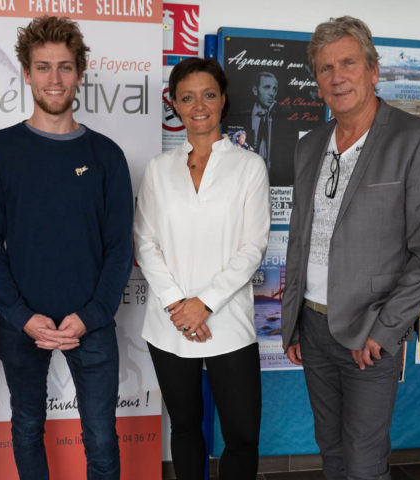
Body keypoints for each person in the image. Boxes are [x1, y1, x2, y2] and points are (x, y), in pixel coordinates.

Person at [280, 17, 420, 479]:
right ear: (316, 82)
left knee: (363, 459)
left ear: (373, 70)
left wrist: (386, 329)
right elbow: (300, 235)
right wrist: (294, 317)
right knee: (331, 449)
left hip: (371, 332)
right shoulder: (310, 145)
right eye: (325, 68)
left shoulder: (416, 140)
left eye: (349, 63)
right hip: (312, 327)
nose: (337, 76)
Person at [0, 16, 133, 480]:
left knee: (102, 438)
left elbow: (119, 246)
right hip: (23, 323)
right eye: (43, 67)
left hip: (93, 322)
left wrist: (92, 314)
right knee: (25, 427)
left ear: (80, 73)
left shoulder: (106, 155)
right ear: (26, 73)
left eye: (65, 67)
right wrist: (22, 316)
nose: (54, 79)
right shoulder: (0, 150)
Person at [134, 57, 270, 479]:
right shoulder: (159, 169)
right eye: (187, 97)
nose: (198, 105)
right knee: (187, 426)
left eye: (208, 95)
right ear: (174, 103)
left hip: (228, 321)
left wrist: (205, 304)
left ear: (223, 100)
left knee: (243, 434)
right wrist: (180, 304)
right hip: (169, 323)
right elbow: (144, 241)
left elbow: (253, 248)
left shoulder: (249, 167)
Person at [246, 71, 279, 164]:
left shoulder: (280, 118)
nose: (272, 93)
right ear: (255, 90)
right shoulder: (243, 116)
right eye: (267, 87)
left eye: (274, 89)